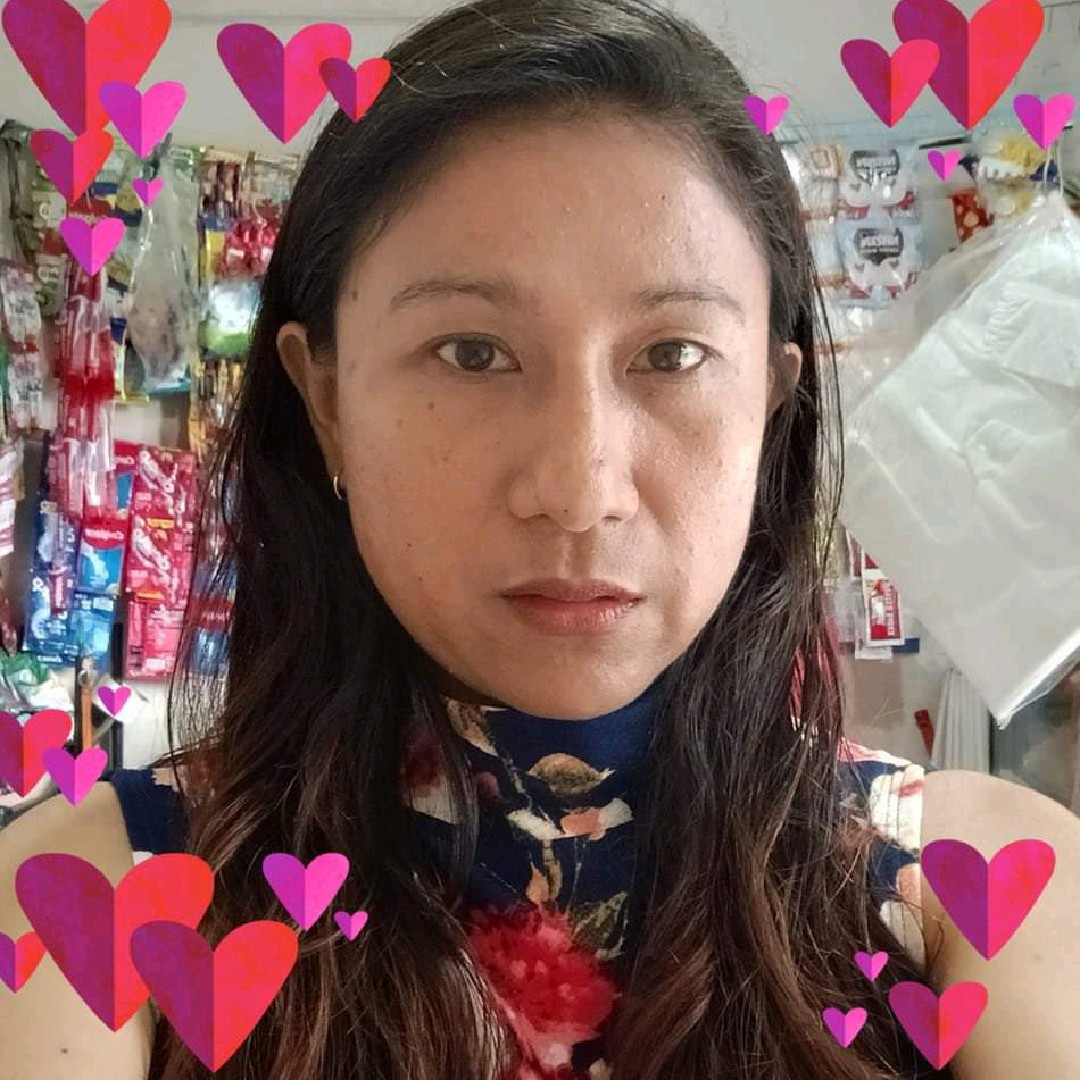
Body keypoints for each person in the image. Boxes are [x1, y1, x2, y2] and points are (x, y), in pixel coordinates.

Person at [1, 0, 1078, 1077]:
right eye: (472, 352)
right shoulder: (90, 903)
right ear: (325, 399)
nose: (579, 490)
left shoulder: (980, 891)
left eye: (673, 354)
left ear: (768, 403)